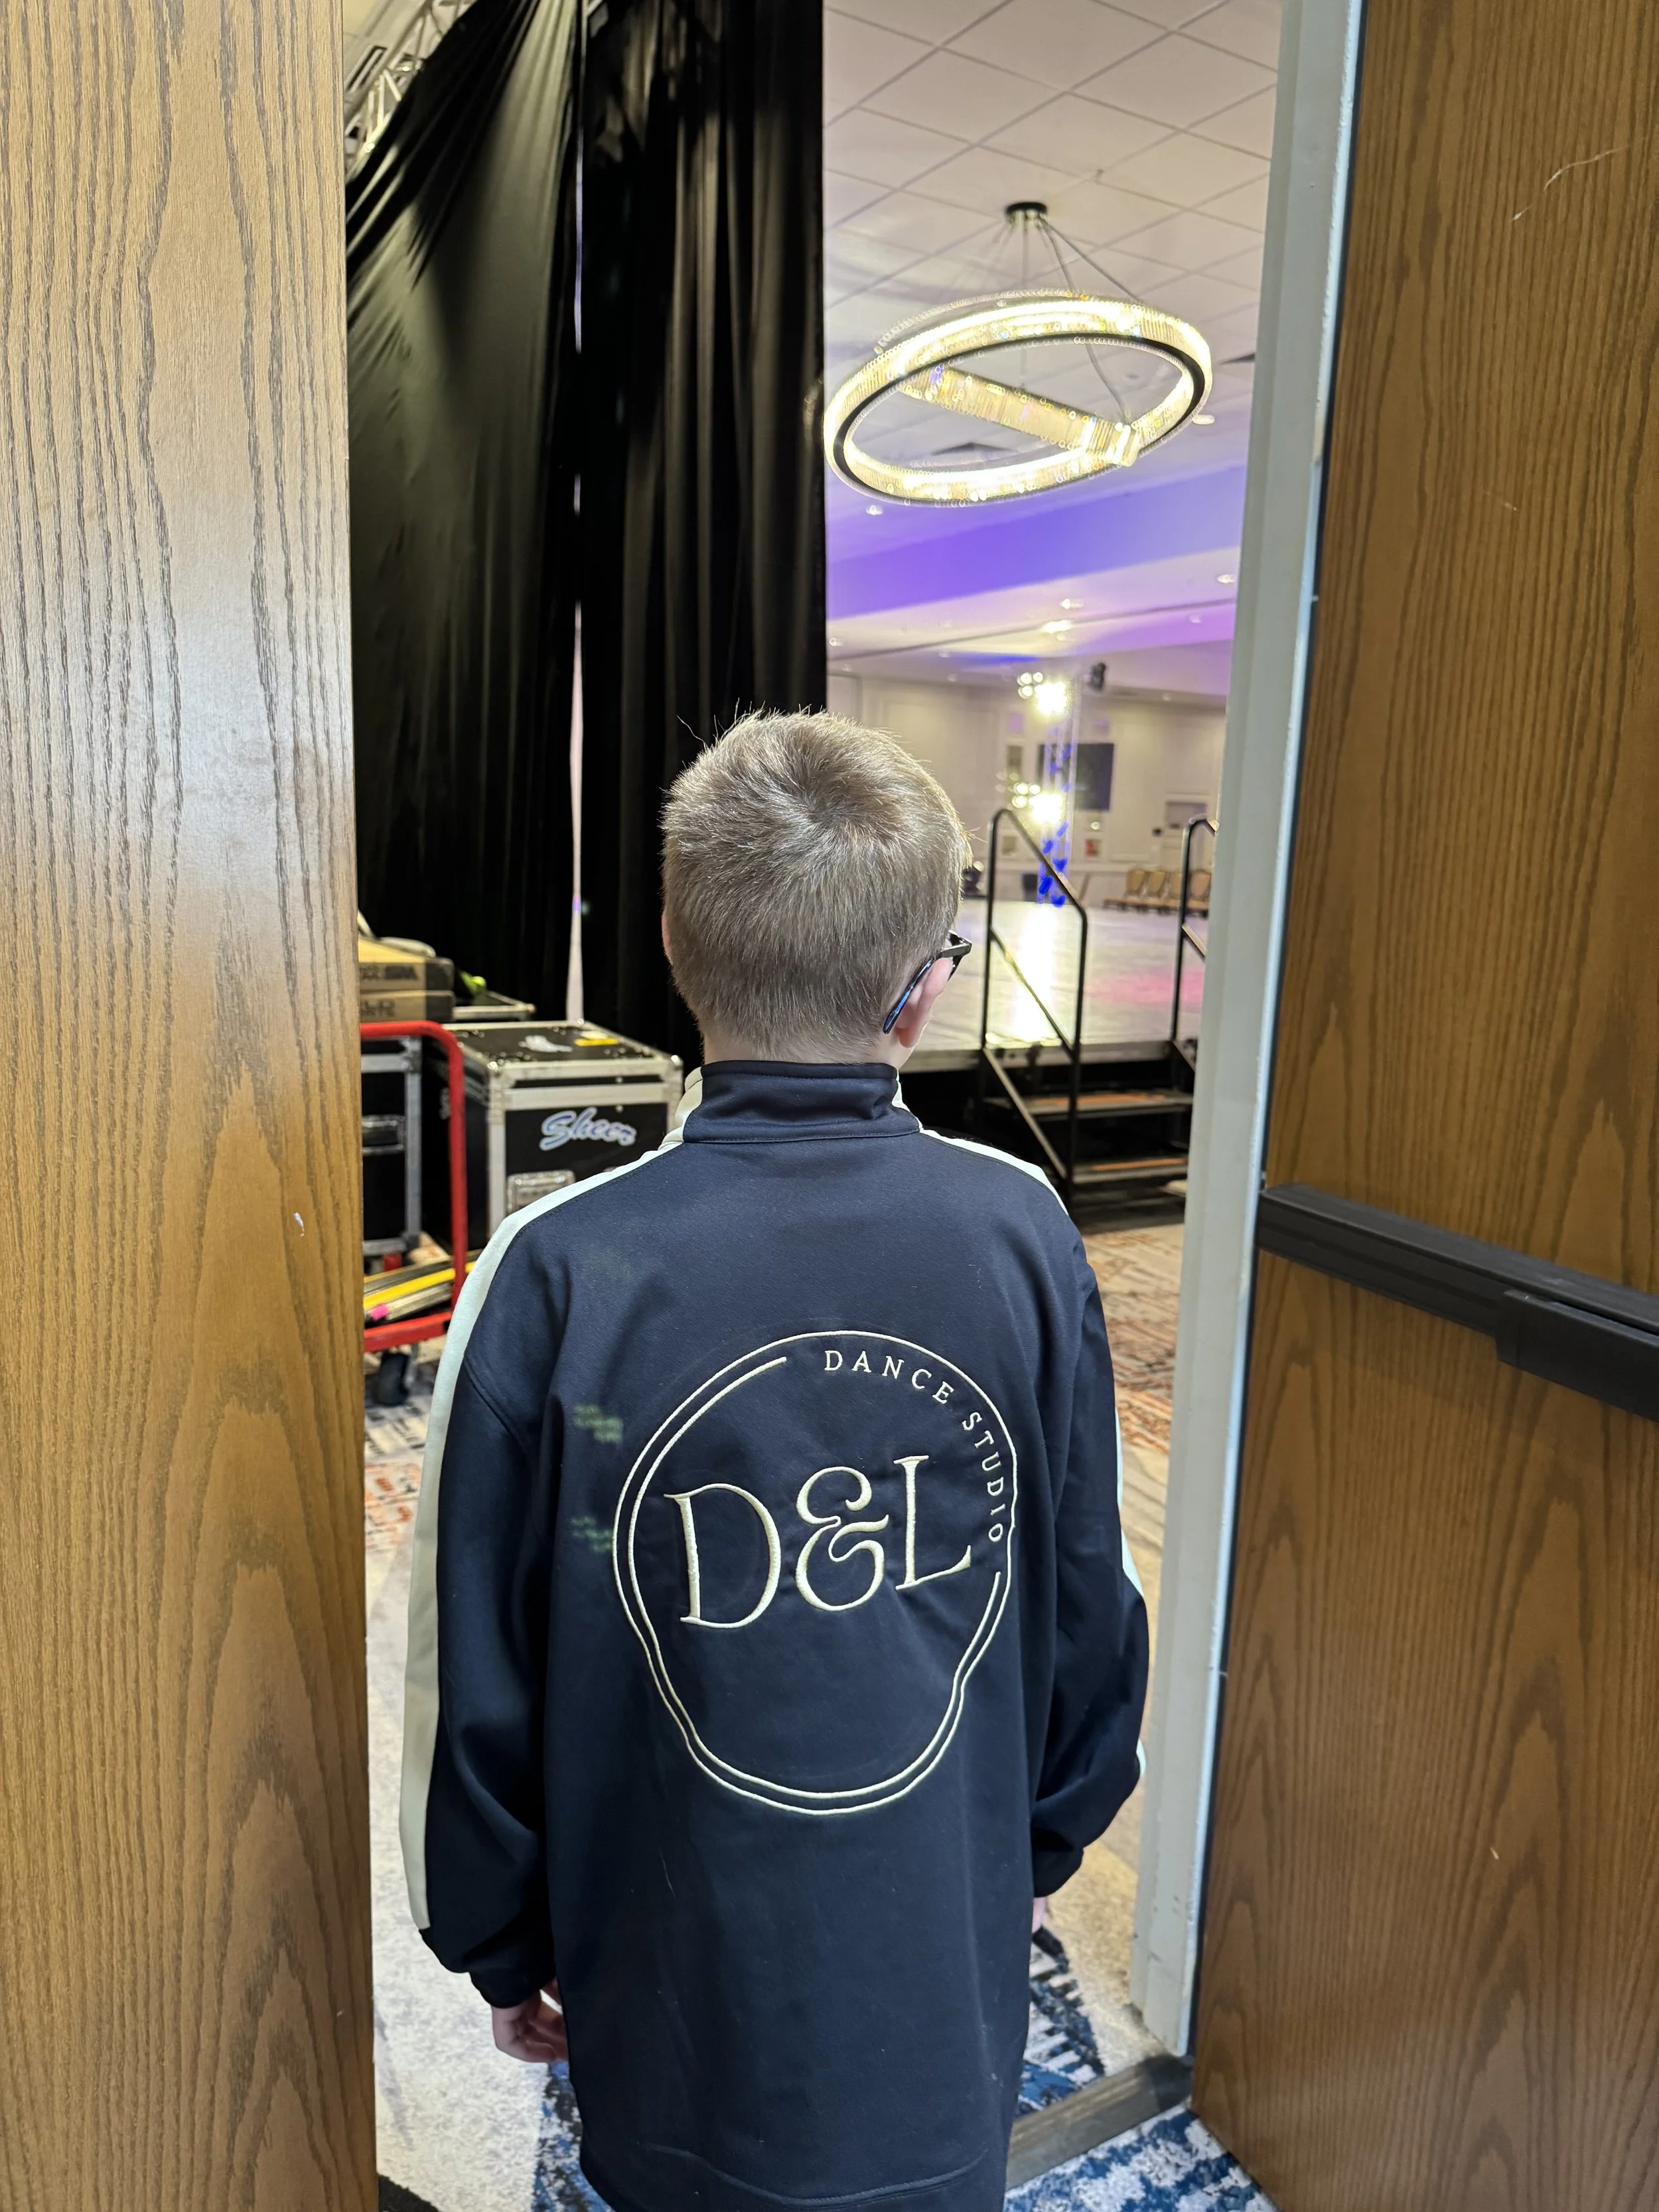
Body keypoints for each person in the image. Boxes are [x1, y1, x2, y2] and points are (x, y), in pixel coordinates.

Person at [401, 710, 1149, 2212]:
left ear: (673, 945)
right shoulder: (1019, 1235)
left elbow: (461, 1675)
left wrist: (499, 1937)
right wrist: (1033, 1851)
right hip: (940, 1980)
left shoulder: (555, 1267)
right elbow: (1089, 1607)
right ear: (920, 991)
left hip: (664, 1996)